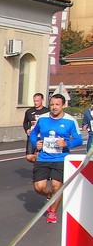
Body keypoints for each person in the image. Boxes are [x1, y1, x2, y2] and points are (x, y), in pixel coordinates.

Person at [27, 93, 83, 224]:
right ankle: (49, 196)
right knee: (39, 187)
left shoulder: (70, 120)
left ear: (63, 105)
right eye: (52, 104)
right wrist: (36, 143)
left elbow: (79, 139)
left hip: (61, 158)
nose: (54, 107)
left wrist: (67, 144)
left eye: (57, 105)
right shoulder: (42, 118)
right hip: (43, 157)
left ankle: (52, 212)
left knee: (56, 186)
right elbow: (33, 134)